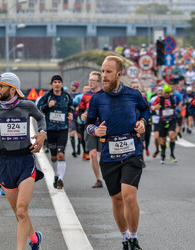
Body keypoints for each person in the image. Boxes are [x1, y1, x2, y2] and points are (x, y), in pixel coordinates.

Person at [86, 55, 150, 249]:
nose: (104, 75)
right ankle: (124, 237)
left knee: (129, 195)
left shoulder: (133, 95)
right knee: (116, 198)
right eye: (103, 71)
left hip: (132, 151)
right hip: (108, 154)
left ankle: (134, 238)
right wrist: (95, 131)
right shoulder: (97, 99)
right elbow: (88, 124)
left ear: (119, 74)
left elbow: (146, 111)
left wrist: (142, 122)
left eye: (108, 72)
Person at [0, 72, 46, 249]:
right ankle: (34, 238)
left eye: (0, 86)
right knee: (19, 213)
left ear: (12, 88)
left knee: (22, 210)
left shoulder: (27, 105)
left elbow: (40, 118)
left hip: (25, 161)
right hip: (5, 163)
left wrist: (42, 134)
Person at [37, 75, 73, 189]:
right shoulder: (47, 96)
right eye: (55, 82)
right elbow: (39, 108)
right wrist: (48, 105)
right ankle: (56, 176)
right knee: (53, 157)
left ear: (62, 84)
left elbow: (71, 106)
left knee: (60, 154)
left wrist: (71, 113)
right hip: (51, 130)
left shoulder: (66, 96)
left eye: (59, 82)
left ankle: (60, 179)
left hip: (63, 129)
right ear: (51, 84)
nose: (57, 84)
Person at [78, 71, 103, 188]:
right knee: (92, 154)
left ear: (99, 82)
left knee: (102, 154)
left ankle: (108, 175)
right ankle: (98, 179)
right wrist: (82, 114)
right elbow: (80, 109)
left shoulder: (105, 95)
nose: (90, 82)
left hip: (103, 128)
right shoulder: (85, 96)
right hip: (90, 128)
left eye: (93, 80)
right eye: (89, 80)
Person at [151, 84, 179, 164]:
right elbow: (152, 107)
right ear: (163, 92)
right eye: (165, 93)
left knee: (172, 136)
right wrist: (155, 107)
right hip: (162, 121)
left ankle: (172, 154)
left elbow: (178, 104)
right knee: (163, 140)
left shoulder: (173, 98)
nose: (167, 94)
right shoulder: (159, 98)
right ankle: (163, 155)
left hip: (171, 120)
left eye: (168, 92)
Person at [74, 84, 90, 160]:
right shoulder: (78, 97)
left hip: (90, 121)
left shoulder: (92, 96)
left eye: (88, 89)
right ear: (83, 90)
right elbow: (72, 106)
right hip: (80, 121)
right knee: (82, 137)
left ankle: (88, 151)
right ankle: (85, 152)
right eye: (85, 88)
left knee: (89, 136)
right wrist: (76, 109)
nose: (86, 90)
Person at [69, 81, 81, 157]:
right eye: (71, 86)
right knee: (72, 133)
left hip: (79, 117)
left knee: (79, 135)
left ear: (76, 87)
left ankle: (79, 147)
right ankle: (74, 151)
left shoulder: (80, 95)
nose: (71, 87)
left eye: (73, 86)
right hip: (71, 117)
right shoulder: (69, 95)